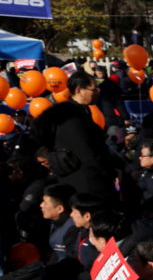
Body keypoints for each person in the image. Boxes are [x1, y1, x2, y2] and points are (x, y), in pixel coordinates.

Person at [30, 71, 117, 199]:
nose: (97, 92)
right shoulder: (70, 118)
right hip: (86, 185)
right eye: (93, 89)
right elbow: (86, 153)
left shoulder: (82, 112)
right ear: (79, 90)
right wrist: (107, 173)